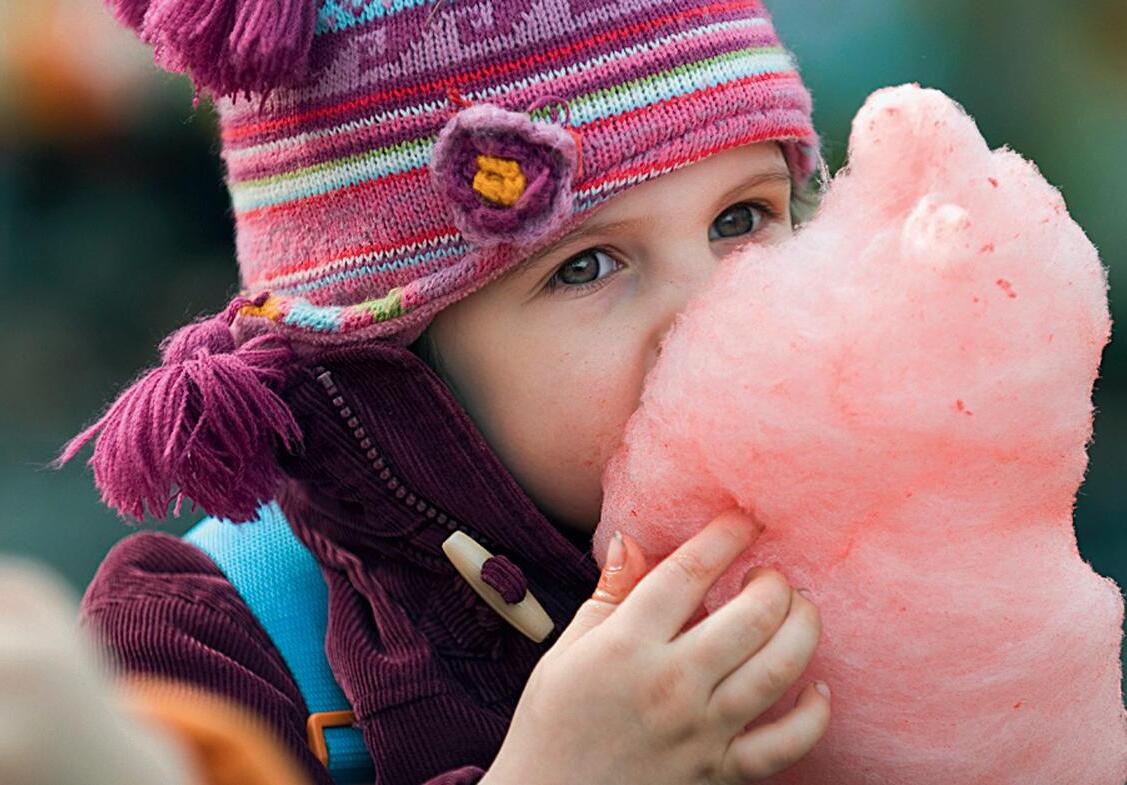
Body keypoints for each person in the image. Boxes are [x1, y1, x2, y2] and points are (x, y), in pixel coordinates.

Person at [45, 1, 832, 783]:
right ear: (394, 350)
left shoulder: (867, 509)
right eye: (584, 266)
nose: (711, 318)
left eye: (741, 217)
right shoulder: (206, 647)